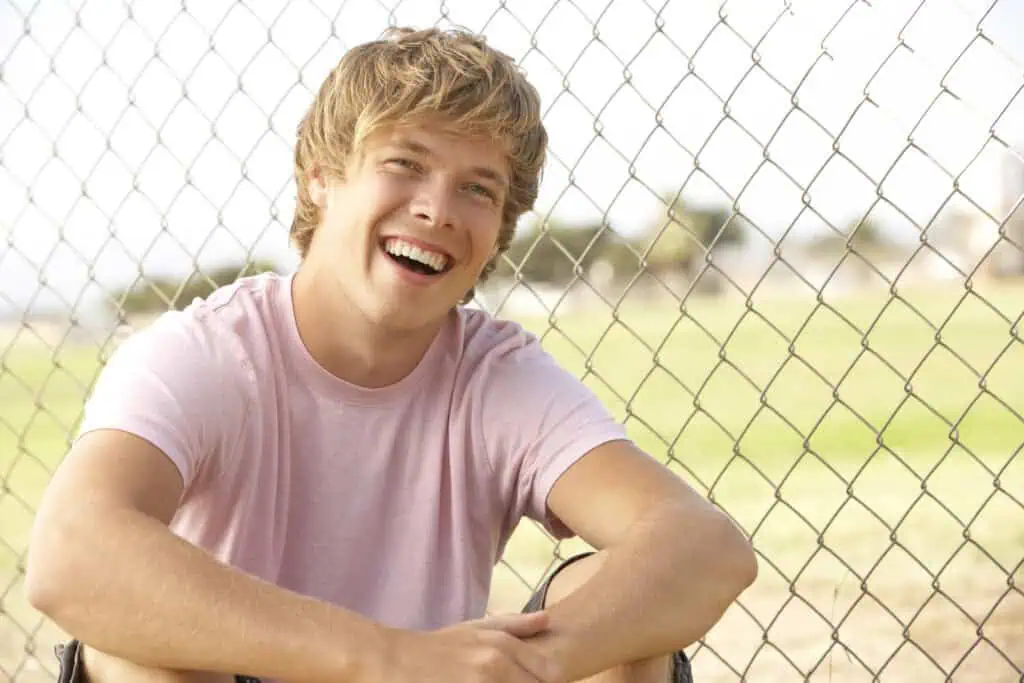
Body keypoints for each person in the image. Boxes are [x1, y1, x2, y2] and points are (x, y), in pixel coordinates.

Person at [26, 26, 757, 683]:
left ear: (500, 229)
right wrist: (392, 659)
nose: (437, 209)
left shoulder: (495, 375)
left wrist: (526, 662)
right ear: (321, 176)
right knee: (131, 646)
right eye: (406, 164)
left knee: (612, 609)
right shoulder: (209, 353)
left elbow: (705, 547)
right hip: (261, 672)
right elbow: (71, 551)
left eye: (477, 188)